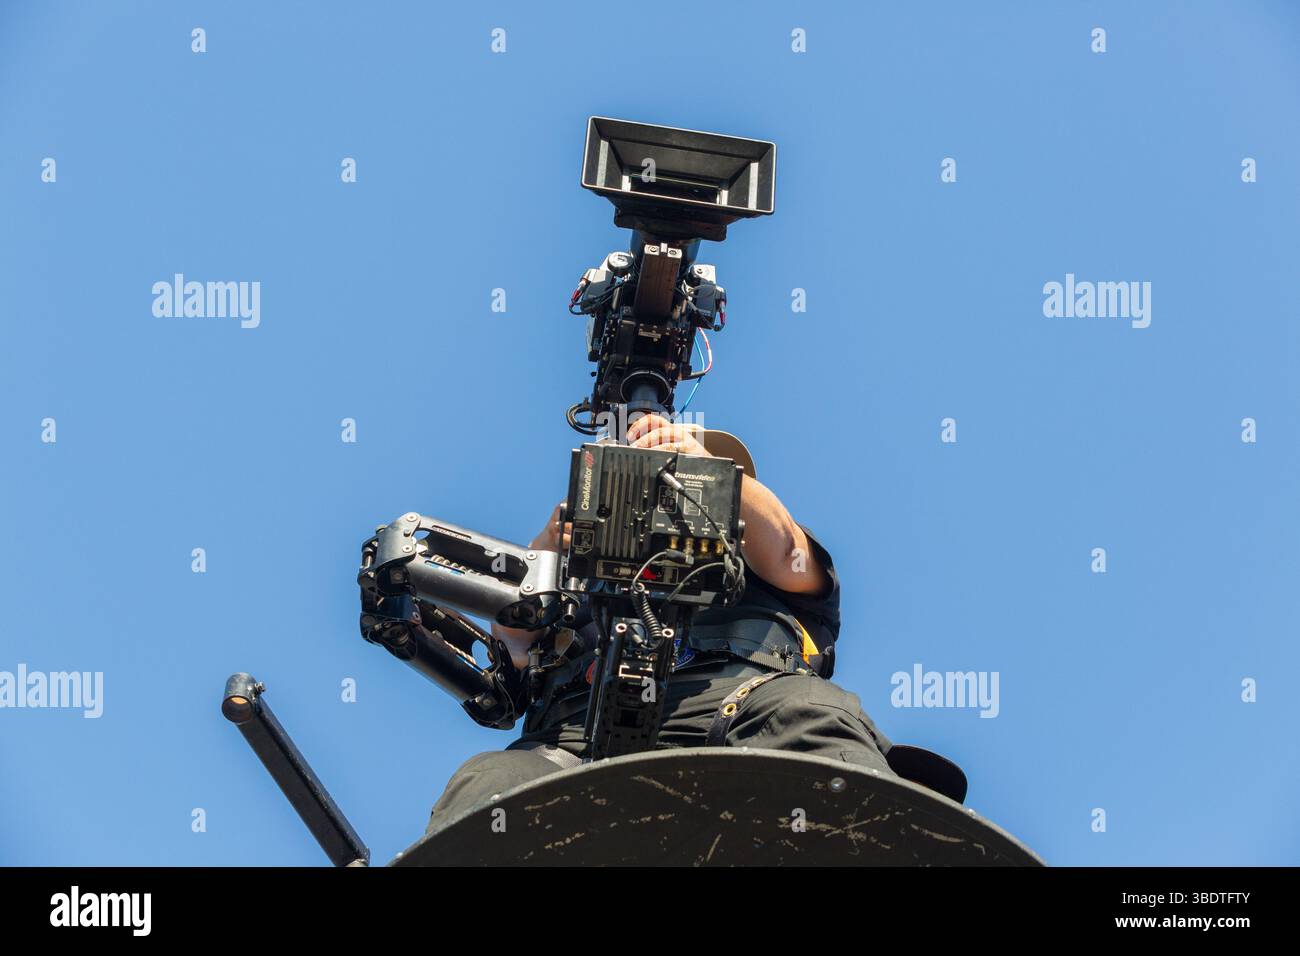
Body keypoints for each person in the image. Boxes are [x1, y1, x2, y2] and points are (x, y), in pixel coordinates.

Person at [426, 413, 901, 833]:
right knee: (490, 781)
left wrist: (711, 473)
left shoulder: (765, 573)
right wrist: (548, 550)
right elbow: (513, 644)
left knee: (807, 712)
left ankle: (870, 836)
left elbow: (788, 552)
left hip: (743, 703)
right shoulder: (575, 595)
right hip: (576, 733)